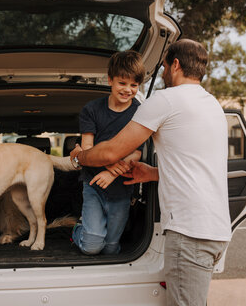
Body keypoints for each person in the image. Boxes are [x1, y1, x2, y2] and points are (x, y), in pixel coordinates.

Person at [70, 39, 231, 305]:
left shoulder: (166, 100)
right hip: (216, 230)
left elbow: (111, 152)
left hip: (189, 232)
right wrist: (153, 173)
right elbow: (199, 164)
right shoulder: (211, 104)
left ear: (175, 64)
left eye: (165, 65)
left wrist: (79, 156)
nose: (164, 71)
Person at [71, 50, 145, 255]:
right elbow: (87, 149)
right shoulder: (92, 110)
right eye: (122, 83)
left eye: (134, 85)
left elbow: (136, 153)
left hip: (122, 189)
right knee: (92, 246)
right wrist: (106, 167)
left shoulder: (140, 112)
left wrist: (112, 173)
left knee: (111, 249)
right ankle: (78, 230)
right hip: (93, 184)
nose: (128, 90)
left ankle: (92, 231)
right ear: (110, 80)